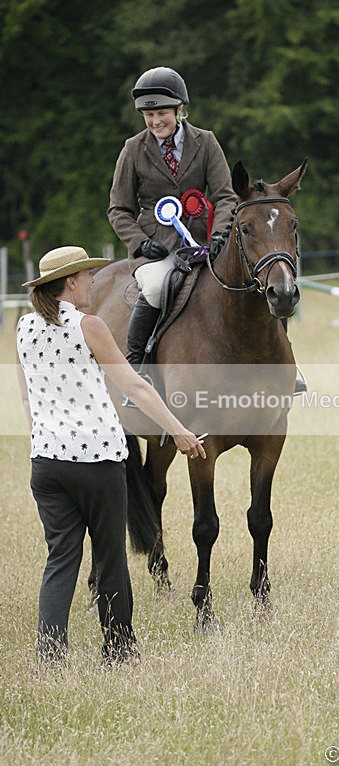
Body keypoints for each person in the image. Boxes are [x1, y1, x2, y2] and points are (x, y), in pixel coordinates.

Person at [16, 245, 206, 666]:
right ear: (70, 282)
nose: (92, 281)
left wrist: (44, 438)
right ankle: (118, 649)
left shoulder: (24, 327)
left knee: (60, 559)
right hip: (96, 462)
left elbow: (27, 397)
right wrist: (178, 430)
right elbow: (134, 386)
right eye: (87, 275)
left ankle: (50, 656)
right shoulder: (90, 326)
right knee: (110, 556)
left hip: (46, 462)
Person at [107, 66, 237, 371]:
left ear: (180, 109)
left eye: (162, 113)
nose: (155, 121)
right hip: (157, 248)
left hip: (204, 242)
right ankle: (137, 366)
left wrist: (219, 235)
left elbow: (225, 196)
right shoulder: (133, 149)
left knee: (253, 280)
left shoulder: (206, 142)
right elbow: (118, 209)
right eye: (148, 115)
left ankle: (280, 365)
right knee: (155, 288)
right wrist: (141, 243)